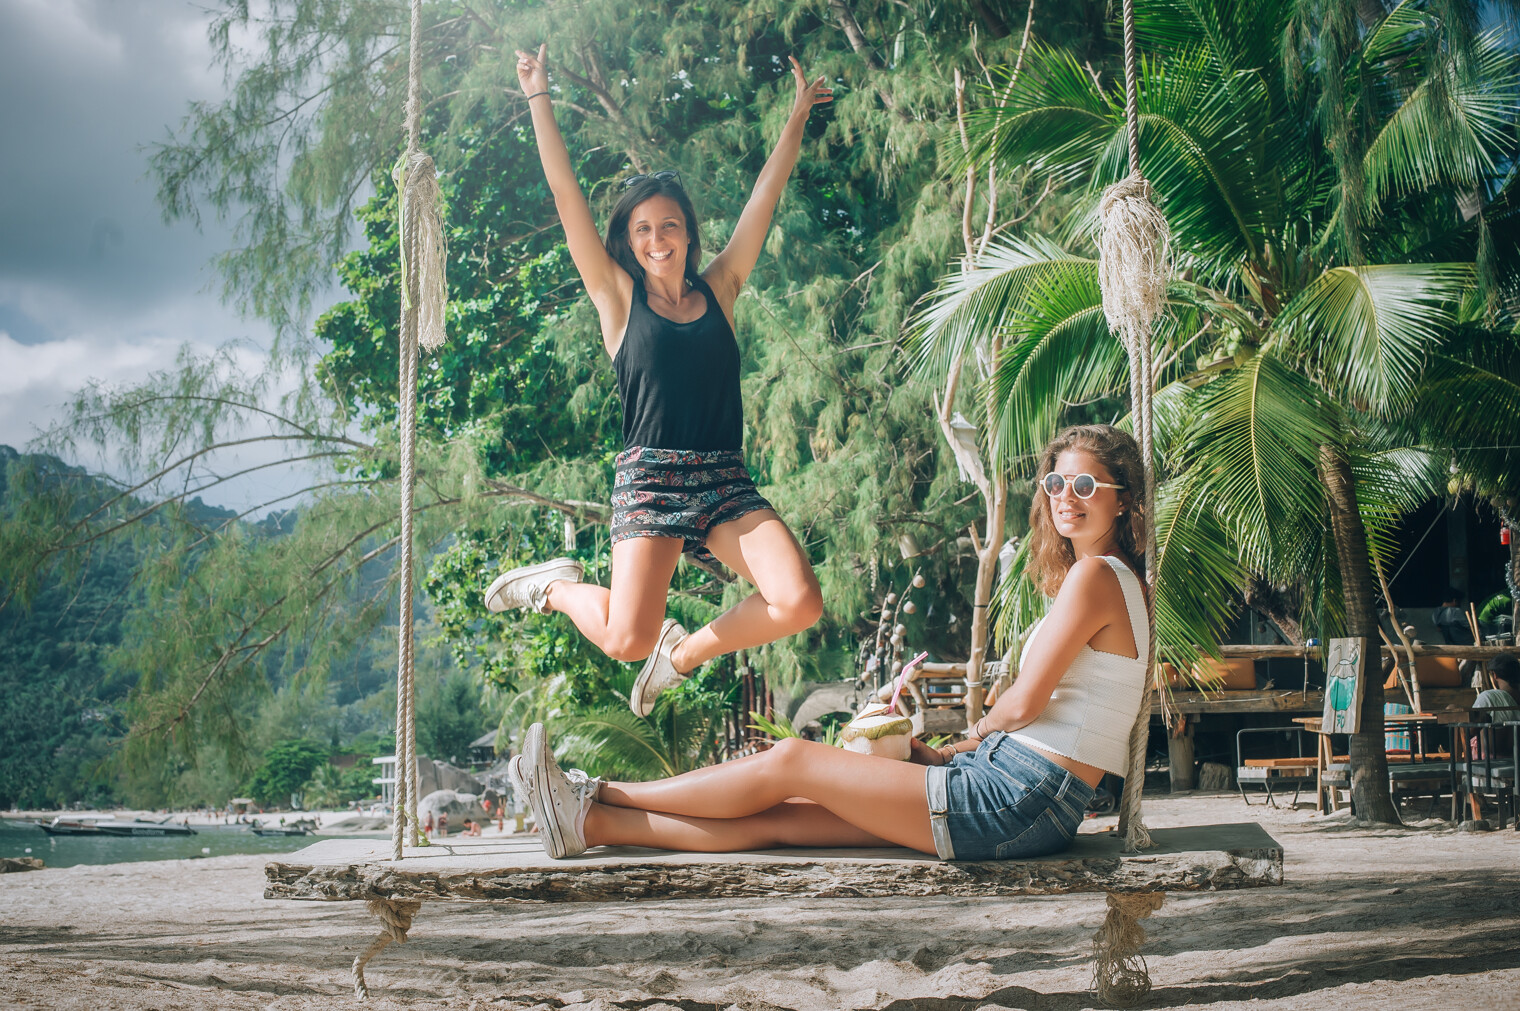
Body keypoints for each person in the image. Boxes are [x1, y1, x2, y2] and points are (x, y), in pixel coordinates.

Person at [510, 425, 1151, 861]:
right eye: (1056, 484)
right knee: (784, 818)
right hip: (1026, 794)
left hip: (1018, 796)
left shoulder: (1097, 575)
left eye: (1087, 487)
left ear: (1122, 502)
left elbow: (1025, 704)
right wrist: (934, 753)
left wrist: (965, 741)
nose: (1067, 498)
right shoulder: (1105, 579)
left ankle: (596, 792)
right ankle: (588, 825)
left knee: (793, 762)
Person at [484, 44, 831, 717]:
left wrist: (795, 120)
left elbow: (766, 196)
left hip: (722, 478)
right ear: (630, 240)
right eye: (642, 229)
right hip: (650, 479)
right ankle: (553, 588)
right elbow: (565, 197)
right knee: (623, 637)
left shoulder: (721, 287)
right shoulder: (618, 299)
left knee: (799, 599)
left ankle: (682, 655)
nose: (656, 237)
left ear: (688, 233)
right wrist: (538, 97)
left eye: (668, 224)